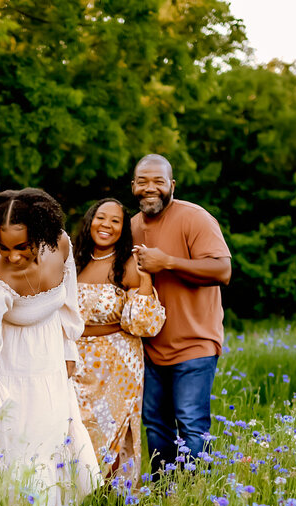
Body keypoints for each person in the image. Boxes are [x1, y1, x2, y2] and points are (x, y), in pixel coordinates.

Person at [0, 188, 100, 506]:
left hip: (49, 361)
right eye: (3, 247)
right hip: (10, 372)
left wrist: (68, 352)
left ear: (41, 234)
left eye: (22, 246)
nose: (14, 256)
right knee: (21, 452)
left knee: (54, 443)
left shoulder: (61, 243)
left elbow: (68, 300)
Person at [129, 154, 232, 474]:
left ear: (171, 185)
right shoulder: (131, 226)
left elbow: (222, 269)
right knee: (156, 426)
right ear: (133, 186)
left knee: (191, 422)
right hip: (149, 347)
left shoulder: (195, 218)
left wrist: (168, 262)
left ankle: (201, 496)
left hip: (195, 344)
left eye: (159, 182)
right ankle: (164, 497)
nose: (151, 188)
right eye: (143, 182)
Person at [72, 199, 166, 487]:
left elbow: (144, 324)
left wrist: (146, 275)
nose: (107, 225)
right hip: (74, 360)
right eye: (101, 217)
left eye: (116, 221)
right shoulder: (72, 261)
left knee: (108, 429)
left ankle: (111, 498)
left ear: (123, 230)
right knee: (75, 427)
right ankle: (76, 494)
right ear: (90, 221)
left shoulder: (127, 263)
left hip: (117, 363)